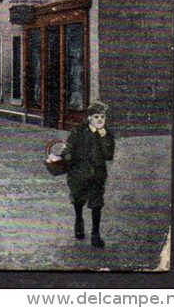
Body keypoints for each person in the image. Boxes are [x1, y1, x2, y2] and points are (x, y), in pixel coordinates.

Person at [51, 101, 115, 248]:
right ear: (89, 118)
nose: (100, 120)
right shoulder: (78, 131)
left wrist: (104, 138)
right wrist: (60, 157)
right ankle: (79, 220)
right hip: (78, 174)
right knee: (78, 200)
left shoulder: (107, 134)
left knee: (97, 203)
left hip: (97, 174)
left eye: (103, 117)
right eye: (96, 117)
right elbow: (69, 149)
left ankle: (95, 234)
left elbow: (108, 155)